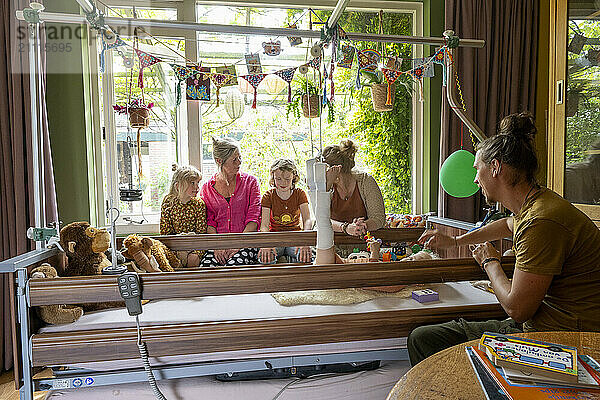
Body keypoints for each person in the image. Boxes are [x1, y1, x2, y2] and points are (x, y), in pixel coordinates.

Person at [408, 112, 600, 366]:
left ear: (495, 167)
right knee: (424, 336)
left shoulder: (541, 221)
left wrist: (491, 263)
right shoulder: (536, 206)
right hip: (544, 326)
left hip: (559, 340)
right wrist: (455, 242)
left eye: (478, 169)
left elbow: (517, 308)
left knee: (424, 339)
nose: (476, 179)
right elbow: (508, 225)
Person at [199, 137, 261, 266]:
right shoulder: (207, 188)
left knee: (233, 268)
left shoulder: (251, 182)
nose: (239, 163)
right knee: (206, 269)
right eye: (234, 160)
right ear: (219, 161)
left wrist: (238, 244)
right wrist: (217, 246)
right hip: (219, 244)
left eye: (239, 158)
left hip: (246, 242)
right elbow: (210, 222)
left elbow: (253, 219)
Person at [321, 139, 385, 237]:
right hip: (333, 245)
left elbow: (379, 218)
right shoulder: (326, 186)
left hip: (364, 245)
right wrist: (346, 228)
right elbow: (321, 220)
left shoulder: (365, 181)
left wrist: (363, 226)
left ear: (336, 170)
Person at [258, 159, 313, 264]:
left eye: (287, 179)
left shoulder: (299, 194)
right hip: (275, 238)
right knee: (265, 257)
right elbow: (264, 225)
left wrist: (305, 240)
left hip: (295, 238)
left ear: (293, 177)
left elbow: (307, 220)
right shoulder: (268, 196)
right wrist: (266, 243)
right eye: (278, 179)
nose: (283, 183)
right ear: (273, 178)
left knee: (306, 255)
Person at [160, 164, 207, 267]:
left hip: (195, 245)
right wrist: (179, 249)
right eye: (192, 183)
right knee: (173, 260)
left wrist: (189, 250)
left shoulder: (199, 204)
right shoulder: (168, 202)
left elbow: (201, 233)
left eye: (197, 183)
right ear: (178, 186)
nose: (197, 187)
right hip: (175, 245)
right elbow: (165, 233)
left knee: (193, 259)